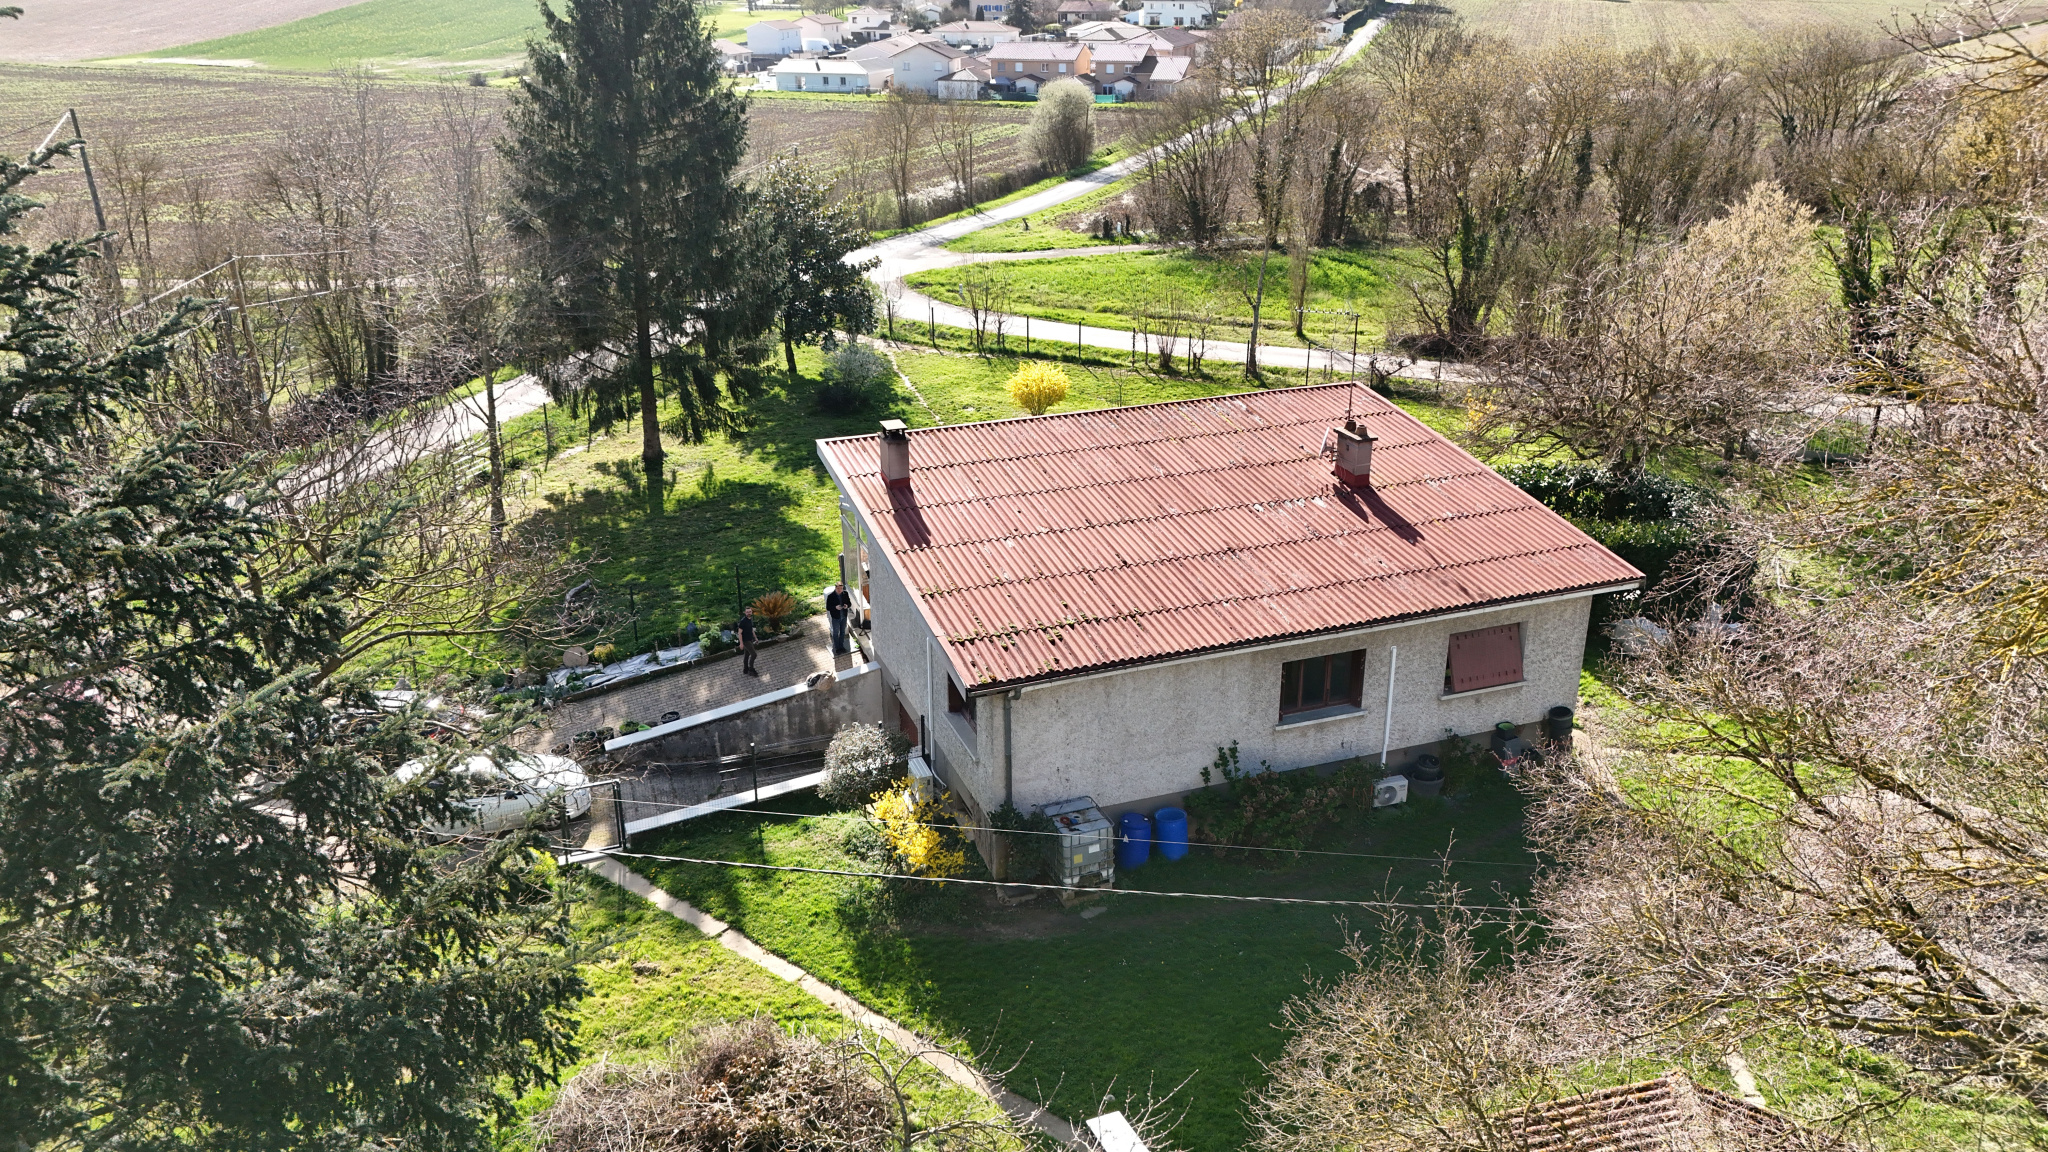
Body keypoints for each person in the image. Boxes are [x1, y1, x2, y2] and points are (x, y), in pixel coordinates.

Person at [825, 582, 853, 656]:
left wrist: (847, 606)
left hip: (843, 616)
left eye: (841, 588)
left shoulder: (845, 594)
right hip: (836, 617)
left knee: (842, 632)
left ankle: (841, 646)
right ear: (835, 588)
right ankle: (837, 648)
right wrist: (835, 607)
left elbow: (849, 603)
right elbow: (828, 607)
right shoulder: (831, 596)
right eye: (838, 588)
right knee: (835, 633)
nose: (840, 590)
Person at [738, 606, 759, 676]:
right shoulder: (743, 621)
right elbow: (739, 633)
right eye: (747, 612)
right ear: (745, 612)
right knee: (754, 654)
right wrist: (741, 643)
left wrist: (755, 637)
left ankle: (745, 669)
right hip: (746, 641)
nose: (749, 613)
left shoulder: (750, 619)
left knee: (747, 655)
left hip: (750, 639)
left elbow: (751, 629)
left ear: (751, 612)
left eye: (750, 612)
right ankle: (751, 669)